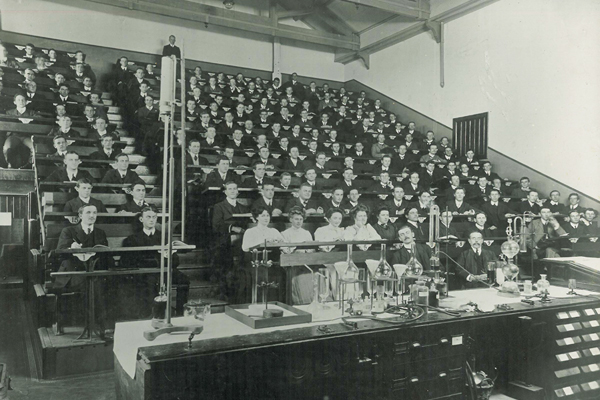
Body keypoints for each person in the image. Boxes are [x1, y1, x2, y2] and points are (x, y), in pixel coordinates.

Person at [51, 205, 114, 333]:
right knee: (92, 284)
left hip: (94, 270)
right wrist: (71, 246)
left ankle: (98, 323)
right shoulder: (69, 231)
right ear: (80, 216)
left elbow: (105, 254)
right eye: (88, 212)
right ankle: (99, 324)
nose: (92, 215)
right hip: (73, 272)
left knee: (101, 282)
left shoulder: (100, 232)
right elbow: (60, 251)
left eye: (95, 213)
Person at [120, 206, 190, 317]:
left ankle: (180, 314)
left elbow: (176, 261)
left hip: (164, 270)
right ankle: (150, 315)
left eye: (154, 217)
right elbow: (127, 262)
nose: (151, 220)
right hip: (145, 273)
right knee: (150, 282)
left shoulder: (164, 237)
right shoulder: (132, 239)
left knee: (184, 280)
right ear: (141, 219)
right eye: (148, 217)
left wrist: (168, 256)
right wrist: (154, 260)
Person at [211, 181, 249, 302]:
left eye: (235, 188)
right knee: (226, 261)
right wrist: (232, 228)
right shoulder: (219, 206)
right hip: (224, 241)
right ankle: (227, 292)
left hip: (241, 240)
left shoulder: (243, 208)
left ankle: (240, 293)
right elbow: (216, 225)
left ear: (238, 191)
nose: (233, 191)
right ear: (225, 191)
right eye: (230, 189)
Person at [281, 207, 315, 304]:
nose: (298, 222)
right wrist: (296, 250)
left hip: (306, 262)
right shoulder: (285, 234)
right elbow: (285, 251)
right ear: (291, 219)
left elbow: (312, 249)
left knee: (314, 275)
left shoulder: (306, 233)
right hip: (293, 264)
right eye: (296, 219)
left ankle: (312, 302)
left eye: (301, 219)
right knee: (299, 277)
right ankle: (300, 302)